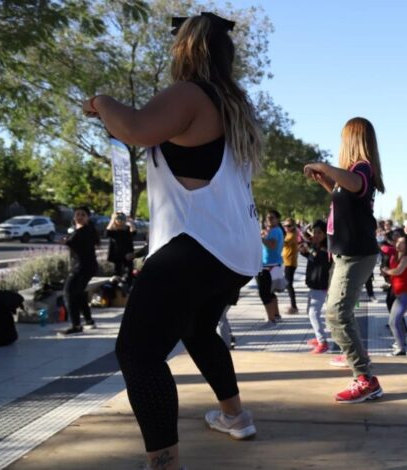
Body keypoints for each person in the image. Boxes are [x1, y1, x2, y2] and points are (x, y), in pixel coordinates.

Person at [84, 12, 263, 470]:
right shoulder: (232, 103)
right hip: (234, 250)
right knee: (198, 331)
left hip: (196, 243)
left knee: (137, 352)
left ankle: (164, 463)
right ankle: (235, 415)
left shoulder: (189, 94)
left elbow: (135, 129)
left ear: (186, 48)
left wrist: (102, 101)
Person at [304, 117, 385, 404]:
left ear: (352, 139)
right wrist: (326, 181)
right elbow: (349, 197)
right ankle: (358, 363)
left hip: (355, 254)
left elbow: (355, 185)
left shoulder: (361, 168)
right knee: (340, 313)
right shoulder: (349, 176)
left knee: (336, 314)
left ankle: (365, 378)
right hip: (346, 254)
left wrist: (325, 166)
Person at [60, 206, 99, 335]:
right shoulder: (85, 230)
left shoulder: (83, 231)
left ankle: (76, 325)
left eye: (83, 215)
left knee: (68, 292)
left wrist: (67, 241)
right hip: (86, 266)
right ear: (74, 217)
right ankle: (88, 320)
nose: (80, 217)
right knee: (79, 292)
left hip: (82, 267)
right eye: (77, 214)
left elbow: (74, 243)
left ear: (88, 218)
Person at [300, 220, 333, 354]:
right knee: (310, 311)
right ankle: (319, 337)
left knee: (313, 313)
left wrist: (310, 250)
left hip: (321, 286)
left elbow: (321, 260)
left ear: (325, 234)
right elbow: (313, 258)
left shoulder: (326, 249)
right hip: (314, 285)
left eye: (319, 233)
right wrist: (305, 252)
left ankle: (322, 342)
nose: (316, 235)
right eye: (314, 232)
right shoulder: (316, 246)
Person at [381, 233, 407, 356]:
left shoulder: (406, 258)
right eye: (398, 242)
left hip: (406, 294)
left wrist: (386, 271)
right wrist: (386, 274)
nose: (398, 244)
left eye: (402, 243)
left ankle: (401, 348)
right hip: (398, 293)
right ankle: (401, 343)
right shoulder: (396, 256)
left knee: (393, 322)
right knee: (397, 321)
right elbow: (394, 274)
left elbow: (398, 271)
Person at [259, 210, 284, 325]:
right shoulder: (274, 230)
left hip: (269, 265)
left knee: (264, 293)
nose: (269, 219)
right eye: (268, 217)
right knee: (270, 292)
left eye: (272, 217)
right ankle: (276, 315)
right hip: (272, 264)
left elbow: (272, 245)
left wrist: (260, 238)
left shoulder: (275, 231)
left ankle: (271, 319)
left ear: (277, 219)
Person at [106, 212, 136, 284]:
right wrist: (112, 220)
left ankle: (128, 284)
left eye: (122, 218)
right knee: (117, 272)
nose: (120, 220)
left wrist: (130, 222)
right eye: (118, 218)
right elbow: (107, 232)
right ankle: (117, 285)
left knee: (129, 270)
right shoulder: (113, 230)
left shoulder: (127, 229)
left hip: (127, 253)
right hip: (117, 254)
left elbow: (134, 232)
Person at [281, 217, 299, 315]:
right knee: (288, 284)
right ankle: (293, 305)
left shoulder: (292, 235)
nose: (286, 227)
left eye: (289, 226)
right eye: (285, 226)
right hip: (287, 262)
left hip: (290, 263)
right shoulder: (289, 234)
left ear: (293, 226)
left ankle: (294, 307)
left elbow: (284, 243)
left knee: (289, 284)